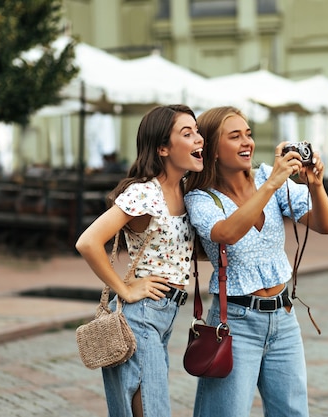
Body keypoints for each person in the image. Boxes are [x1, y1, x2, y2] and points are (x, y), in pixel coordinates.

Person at [184, 106, 328, 417]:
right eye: (235, 136)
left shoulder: (267, 176)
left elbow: (325, 225)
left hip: (284, 319)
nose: (247, 143)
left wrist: (316, 185)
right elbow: (226, 233)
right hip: (235, 323)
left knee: (292, 413)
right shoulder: (201, 198)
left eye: (249, 135)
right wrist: (272, 185)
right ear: (211, 149)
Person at [75, 104, 204, 417]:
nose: (198, 139)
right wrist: (125, 288)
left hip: (165, 315)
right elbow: (88, 242)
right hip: (143, 316)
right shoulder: (146, 193)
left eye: (197, 131)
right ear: (163, 148)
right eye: (187, 133)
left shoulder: (186, 190)